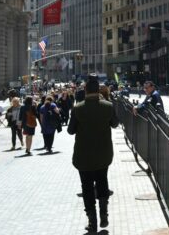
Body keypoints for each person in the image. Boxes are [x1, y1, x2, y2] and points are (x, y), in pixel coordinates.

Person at [68, 76, 119, 232]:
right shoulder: (108, 106)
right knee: (102, 182)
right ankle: (104, 214)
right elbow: (115, 124)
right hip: (103, 154)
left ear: (85, 90)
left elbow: (70, 131)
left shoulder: (78, 108)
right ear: (98, 90)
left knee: (87, 188)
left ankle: (92, 221)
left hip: (83, 157)